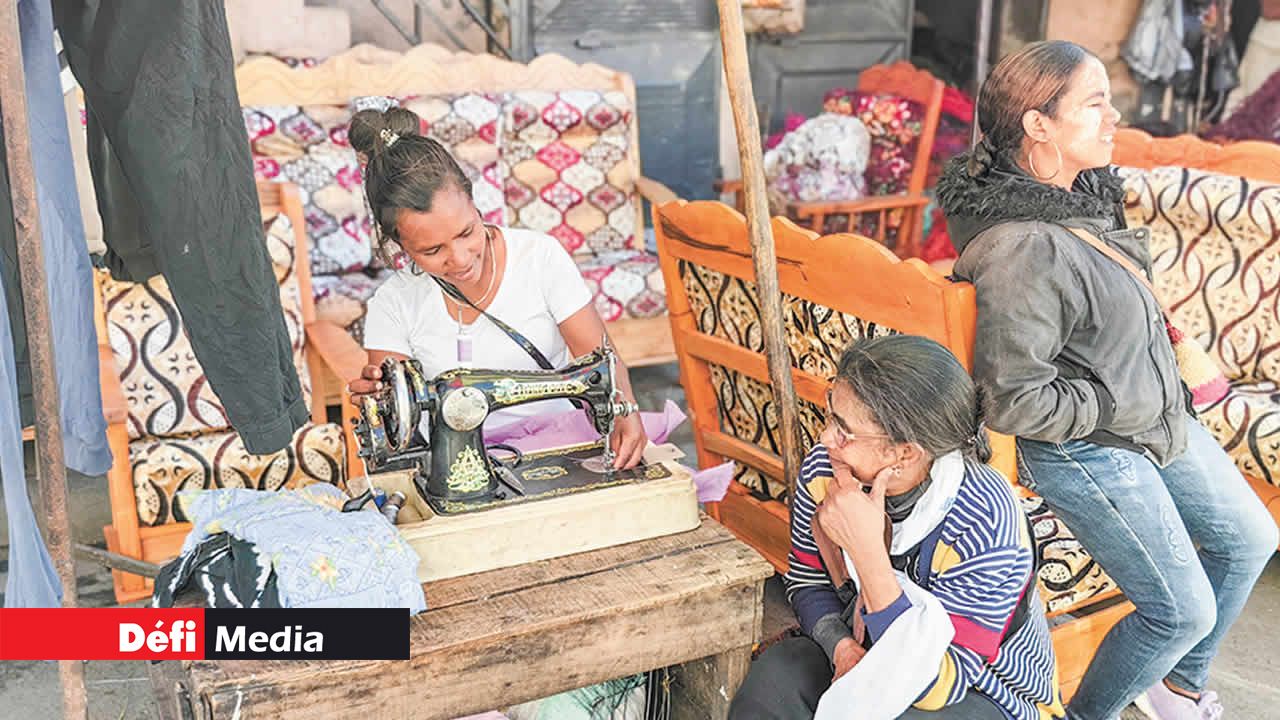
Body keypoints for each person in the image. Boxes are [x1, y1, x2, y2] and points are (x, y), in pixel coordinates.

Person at [937, 40, 1278, 720]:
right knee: (1181, 611)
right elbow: (1014, 399)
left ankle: (1174, 687)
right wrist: (1116, 398)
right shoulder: (1025, 246)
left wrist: (1142, 390)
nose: (1114, 115)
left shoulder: (1078, 200)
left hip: (1150, 415)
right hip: (1087, 444)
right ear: (1038, 125)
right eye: (1095, 103)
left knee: (1252, 540)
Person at [729, 335, 1063, 720]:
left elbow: (937, 684)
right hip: (865, 647)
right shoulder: (825, 472)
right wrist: (842, 649)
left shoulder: (984, 516)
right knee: (774, 681)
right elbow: (808, 581)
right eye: (830, 413)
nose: (825, 438)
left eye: (843, 430)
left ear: (904, 453)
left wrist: (869, 553)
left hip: (978, 689)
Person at [343, 107, 646, 468]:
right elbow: (401, 420)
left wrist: (625, 409)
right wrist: (381, 405)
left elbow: (600, 363)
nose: (459, 259)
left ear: (474, 203)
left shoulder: (540, 258)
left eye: (466, 232)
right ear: (400, 245)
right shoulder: (393, 304)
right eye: (432, 251)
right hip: (454, 466)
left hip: (561, 445)